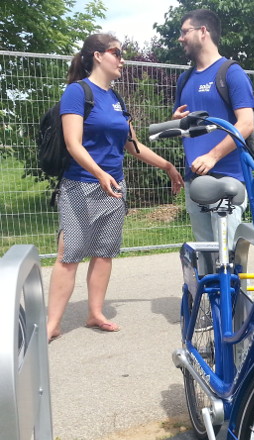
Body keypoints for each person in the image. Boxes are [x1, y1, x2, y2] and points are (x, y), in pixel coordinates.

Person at [47, 33, 184, 342]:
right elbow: (73, 144)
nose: (121, 59)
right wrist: (98, 173)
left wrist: (168, 166)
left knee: (104, 252)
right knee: (69, 254)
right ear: (98, 55)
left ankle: (95, 313)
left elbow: (133, 147)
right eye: (116, 53)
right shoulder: (77, 92)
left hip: (113, 186)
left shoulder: (116, 99)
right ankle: (52, 323)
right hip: (80, 185)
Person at [172, 9, 254, 243]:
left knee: (226, 256)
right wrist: (177, 121)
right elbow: (184, 127)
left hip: (227, 179)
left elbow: (247, 123)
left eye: (184, 32)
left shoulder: (231, 73)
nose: (180, 38)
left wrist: (212, 156)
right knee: (204, 257)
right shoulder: (185, 79)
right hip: (195, 180)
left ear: (202, 32)